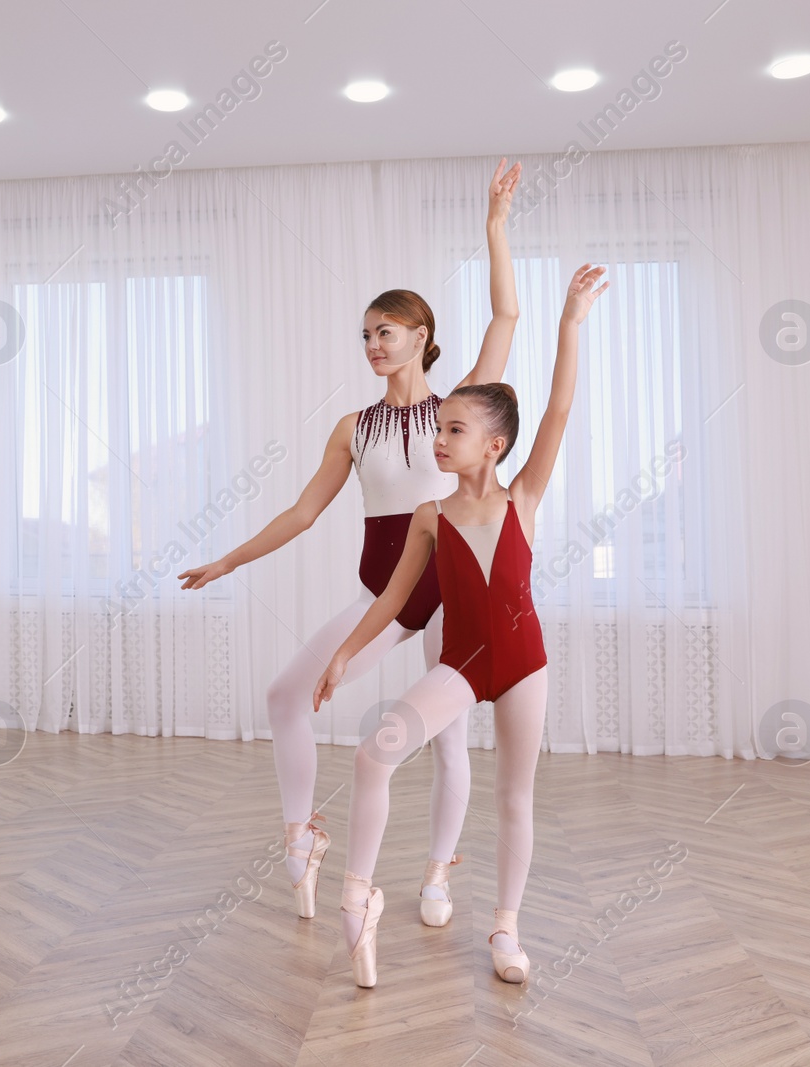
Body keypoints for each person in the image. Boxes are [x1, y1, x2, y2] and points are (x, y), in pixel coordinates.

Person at [178, 160, 524, 922]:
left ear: (419, 338)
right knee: (284, 695)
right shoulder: (352, 426)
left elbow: (505, 320)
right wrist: (228, 558)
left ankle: (436, 874)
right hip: (387, 596)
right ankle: (301, 839)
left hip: (452, 602)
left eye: (386, 331)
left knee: (449, 744)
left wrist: (494, 229)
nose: (372, 343)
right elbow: (304, 512)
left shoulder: (456, 411)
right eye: (366, 334)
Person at [313, 263, 610, 988]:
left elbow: (559, 412)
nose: (438, 439)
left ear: (493, 446)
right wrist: (345, 653)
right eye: (439, 428)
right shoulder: (429, 517)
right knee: (371, 755)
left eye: (453, 430)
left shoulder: (524, 498)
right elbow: (391, 599)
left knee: (515, 796)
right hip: (462, 664)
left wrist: (570, 324)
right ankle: (360, 895)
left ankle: (507, 925)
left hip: (523, 668)